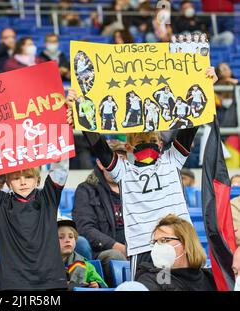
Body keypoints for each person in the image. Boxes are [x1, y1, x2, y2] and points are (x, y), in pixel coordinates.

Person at [66, 66, 217, 278]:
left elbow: (189, 126)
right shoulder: (123, 171)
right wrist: (81, 106)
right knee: (154, 287)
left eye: (153, 141)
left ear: (162, 143)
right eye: (140, 141)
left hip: (181, 240)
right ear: (128, 148)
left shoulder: (172, 160)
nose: (148, 144)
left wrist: (204, 86)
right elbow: (97, 144)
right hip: (144, 246)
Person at [0, 159, 70, 290]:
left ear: (37, 180)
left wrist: (59, 141)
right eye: (16, 178)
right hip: (12, 282)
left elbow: (60, 169)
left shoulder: (48, 198)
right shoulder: (0, 202)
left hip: (50, 280)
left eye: (28, 177)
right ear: (8, 182)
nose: (23, 182)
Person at [73, 139, 128, 287]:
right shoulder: (86, 190)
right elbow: (85, 228)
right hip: (102, 251)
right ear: (99, 163)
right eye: (111, 160)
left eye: (122, 159)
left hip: (135, 248)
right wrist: (116, 245)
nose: (117, 165)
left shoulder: (134, 188)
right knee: (115, 256)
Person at [136, 214, 216, 291]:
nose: (157, 246)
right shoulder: (151, 279)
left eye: (164, 240)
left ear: (186, 244)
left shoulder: (212, 278)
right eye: (155, 242)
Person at [58, 217, 107, 289]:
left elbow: (103, 286)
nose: (67, 240)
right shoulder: (42, 265)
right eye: (61, 237)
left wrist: (97, 285)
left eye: (71, 237)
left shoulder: (86, 265)